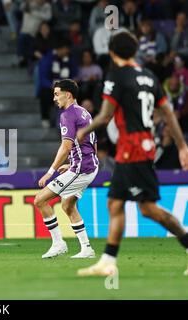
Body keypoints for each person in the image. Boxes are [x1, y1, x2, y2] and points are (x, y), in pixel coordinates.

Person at [76, 31, 188, 277]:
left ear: (112, 53)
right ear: (134, 51)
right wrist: (182, 145)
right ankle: (108, 262)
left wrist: (83, 131)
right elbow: (168, 114)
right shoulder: (149, 77)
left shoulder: (116, 75)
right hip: (142, 147)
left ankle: (186, 241)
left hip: (132, 150)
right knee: (115, 203)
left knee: (147, 209)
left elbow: (105, 116)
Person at [34, 79, 98, 259]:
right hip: (89, 165)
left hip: (81, 168)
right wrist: (72, 163)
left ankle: (58, 243)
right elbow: (90, 143)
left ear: (67, 94)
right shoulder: (84, 112)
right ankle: (86, 248)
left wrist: (50, 171)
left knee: (40, 200)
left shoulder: (68, 114)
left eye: (56, 94)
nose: (54, 98)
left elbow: (66, 146)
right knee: (67, 205)